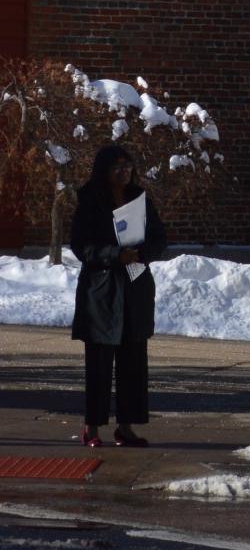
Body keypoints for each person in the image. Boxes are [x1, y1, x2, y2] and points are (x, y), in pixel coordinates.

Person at [70, 145, 166, 448]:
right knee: (99, 365)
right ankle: (92, 429)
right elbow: (80, 246)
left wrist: (141, 253)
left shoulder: (140, 198)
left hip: (134, 289)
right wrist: (114, 255)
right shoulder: (90, 199)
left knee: (133, 364)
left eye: (128, 166)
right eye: (117, 167)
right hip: (102, 292)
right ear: (104, 170)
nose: (124, 172)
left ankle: (126, 428)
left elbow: (159, 237)